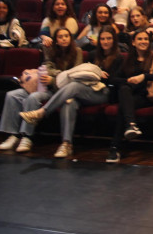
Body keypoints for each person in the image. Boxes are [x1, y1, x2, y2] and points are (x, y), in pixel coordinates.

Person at [16, 29, 122, 158]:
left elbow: (118, 81)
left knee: (74, 86)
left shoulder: (119, 57)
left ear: (114, 40)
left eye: (109, 38)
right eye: (103, 39)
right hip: (85, 89)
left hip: (104, 92)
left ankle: (42, 112)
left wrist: (102, 76)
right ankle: (66, 144)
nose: (105, 41)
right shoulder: (94, 54)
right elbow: (80, 74)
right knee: (69, 102)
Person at [0, 27, 82, 154]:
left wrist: (53, 78)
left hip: (61, 91)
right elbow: (47, 67)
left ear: (70, 38)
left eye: (66, 36)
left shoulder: (77, 51)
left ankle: (27, 137)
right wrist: (58, 75)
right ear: (56, 40)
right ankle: (13, 135)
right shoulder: (51, 51)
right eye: (60, 37)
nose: (64, 39)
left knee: (33, 97)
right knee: (12, 95)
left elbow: (74, 75)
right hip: (45, 87)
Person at [106, 29, 153, 163]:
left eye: (146, 39)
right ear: (133, 43)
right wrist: (129, 80)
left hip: (147, 96)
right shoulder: (126, 59)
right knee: (124, 91)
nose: (143, 42)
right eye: (140, 39)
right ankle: (130, 125)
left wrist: (144, 77)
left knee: (123, 106)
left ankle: (115, 147)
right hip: (130, 95)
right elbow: (113, 79)